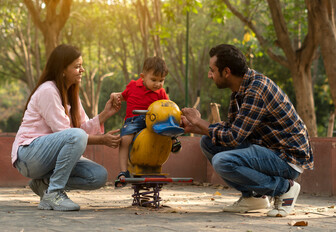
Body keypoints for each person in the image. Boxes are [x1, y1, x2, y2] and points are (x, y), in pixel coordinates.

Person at [181, 44, 313, 217]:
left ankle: (285, 188)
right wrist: (197, 128)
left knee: (222, 161)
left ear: (226, 71)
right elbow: (232, 129)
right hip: (267, 150)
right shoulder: (239, 90)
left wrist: (199, 121)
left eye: (212, 70)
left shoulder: (256, 89)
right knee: (208, 142)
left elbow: (233, 137)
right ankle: (254, 197)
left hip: (287, 158)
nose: (209, 75)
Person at [11, 44, 121, 211]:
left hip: (48, 158)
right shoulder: (48, 90)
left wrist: (106, 113)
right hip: (28, 156)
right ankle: (54, 193)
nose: (82, 70)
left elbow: (82, 129)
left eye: (81, 66)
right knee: (76, 136)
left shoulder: (71, 94)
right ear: (62, 69)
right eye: (77, 67)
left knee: (98, 176)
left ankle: (44, 184)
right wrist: (102, 140)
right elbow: (69, 135)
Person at [111, 56, 181, 187]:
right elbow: (121, 96)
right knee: (125, 140)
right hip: (134, 120)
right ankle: (123, 172)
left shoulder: (160, 92)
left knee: (167, 122)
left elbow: (168, 106)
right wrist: (114, 95)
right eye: (154, 80)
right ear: (142, 77)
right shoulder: (133, 86)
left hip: (154, 120)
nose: (158, 84)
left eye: (161, 80)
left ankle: (173, 140)